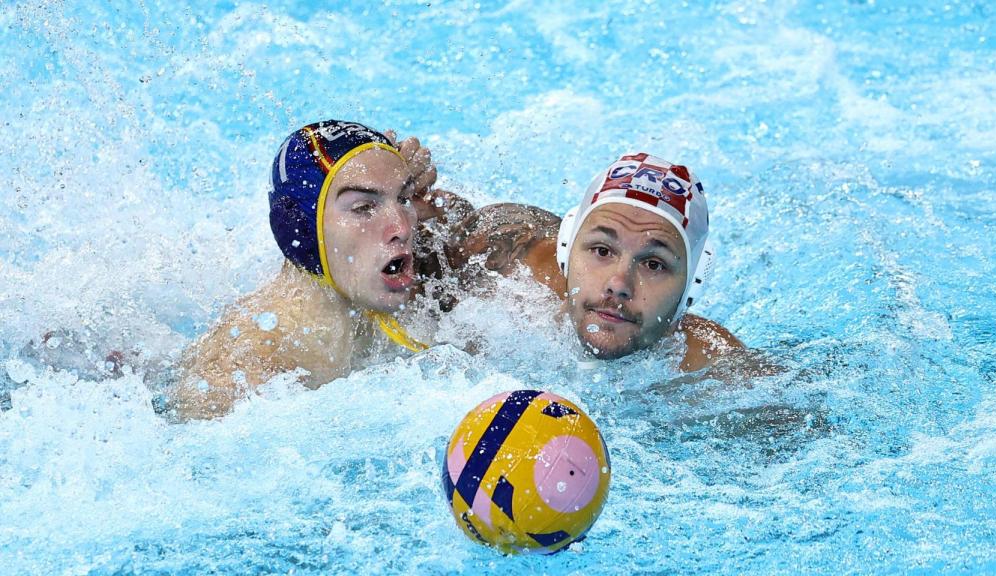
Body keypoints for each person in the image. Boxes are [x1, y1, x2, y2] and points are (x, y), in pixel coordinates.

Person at [169, 120, 466, 420]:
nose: (402, 227)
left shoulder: (409, 277)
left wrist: (441, 214)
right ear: (302, 230)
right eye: (364, 208)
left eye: (402, 199)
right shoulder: (245, 375)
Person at [446, 152, 750, 373]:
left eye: (654, 264)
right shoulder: (514, 263)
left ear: (692, 284)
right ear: (567, 249)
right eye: (602, 251)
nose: (618, 285)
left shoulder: (715, 368)